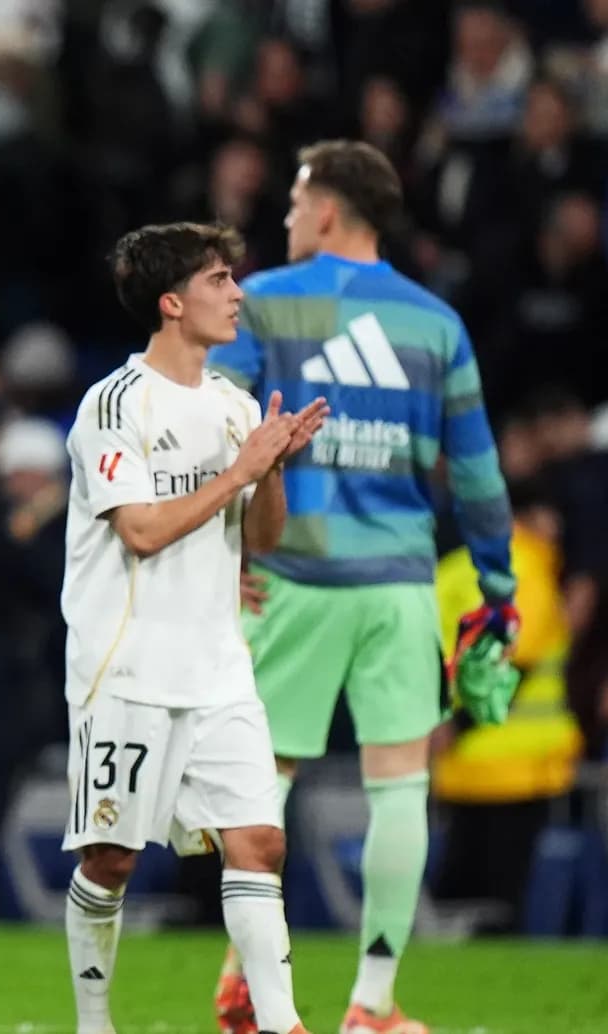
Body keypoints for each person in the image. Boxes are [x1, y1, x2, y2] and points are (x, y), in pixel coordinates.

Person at [207, 140, 516, 1034]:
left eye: (299, 201)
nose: (289, 216)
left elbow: (218, 433)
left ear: (333, 210)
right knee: (398, 790)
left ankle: (243, 980)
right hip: (397, 583)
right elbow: (478, 473)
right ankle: (372, 1005)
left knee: (260, 788)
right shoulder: (437, 324)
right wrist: (496, 590)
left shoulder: (260, 304)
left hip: (288, 579)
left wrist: (221, 557)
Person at [61, 221, 327, 1034]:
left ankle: (281, 1025)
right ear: (173, 303)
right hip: (128, 667)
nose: (237, 293)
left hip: (218, 666)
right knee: (113, 859)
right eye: (219, 279)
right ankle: (94, 1020)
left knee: (258, 843)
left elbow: (263, 539)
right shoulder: (113, 404)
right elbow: (139, 530)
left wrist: (269, 470)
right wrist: (240, 471)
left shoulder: (233, 405)